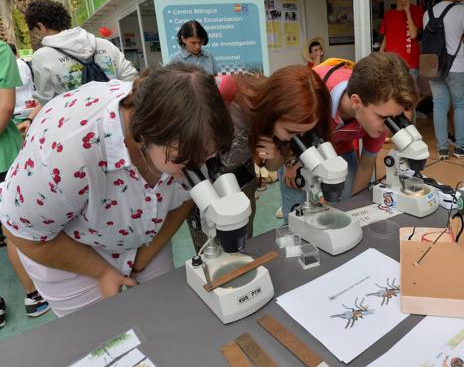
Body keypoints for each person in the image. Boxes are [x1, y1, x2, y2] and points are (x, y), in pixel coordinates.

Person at [0, 63, 233, 317]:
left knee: (161, 317)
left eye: (206, 157)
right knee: (102, 337)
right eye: (185, 160)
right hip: (67, 250)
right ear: (143, 134)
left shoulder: (192, 137)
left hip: (142, 235)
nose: (198, 168)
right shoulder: (66, 151)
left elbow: (187, 195)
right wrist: (102, 272)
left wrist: (145, 255)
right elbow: (23, 234)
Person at [186, 65, 333, 251]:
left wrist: (272, 153)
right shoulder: (222, 91)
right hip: (202, 184)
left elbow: (272, 166)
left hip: (242, 180)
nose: (292, 138)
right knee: (210, 248)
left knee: (242, 243)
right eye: (290, 131)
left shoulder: (276, 120)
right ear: (274, 111)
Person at [279, 53, 418, 223]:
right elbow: (282, 127)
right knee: (295, 212)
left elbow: (366, 165)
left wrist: (350, 213)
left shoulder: (379, 113)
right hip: (298, 145)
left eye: (394, 118)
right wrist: (290, 162)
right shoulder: (312, 92)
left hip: (340, 144)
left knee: (342, 203)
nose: (388, 128)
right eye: (384, 118)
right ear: (356, 102)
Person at [0, 41, 50, 325]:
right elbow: (5, 107)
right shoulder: (1, 51)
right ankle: (33, 294)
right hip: (4, 160)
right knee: (14, 229)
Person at [24, 0, 137, 107]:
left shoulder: (42, 56)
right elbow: (130, 78)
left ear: (41, 26)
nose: (37, 35)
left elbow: (47, 100)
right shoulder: (104, 44)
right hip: (116, 118)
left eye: (36, 32)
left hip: (77, 124)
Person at [424, 0, 464, 160]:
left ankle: (442, 148)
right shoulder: (462, 11)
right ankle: (461, 147)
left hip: (434, 66)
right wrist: (456, 43)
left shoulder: (428, 13)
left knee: (439, 105)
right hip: (457, 66)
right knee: (461, 105)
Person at [380, 0, 424, 82]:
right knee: (393, 93)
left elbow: (413, 35)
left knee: (411, 94)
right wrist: (380, 56)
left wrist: (407, 11)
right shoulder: (389, 14)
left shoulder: (417, 10)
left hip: (410, 62)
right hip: (391, 61)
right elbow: (386, 37)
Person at [7, 43, 36, 122]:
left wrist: (5, 88)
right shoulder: (15, 65)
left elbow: (22, 82)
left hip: (25, 103)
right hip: (21, 104)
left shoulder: (19, 65)